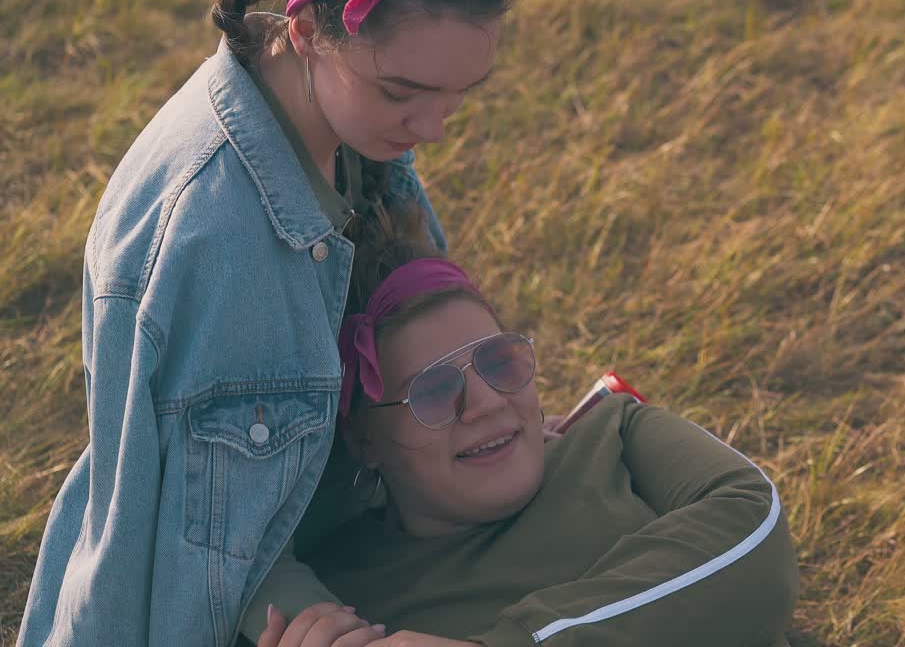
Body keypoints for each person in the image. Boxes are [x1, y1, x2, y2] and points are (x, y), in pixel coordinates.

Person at [18, 0, 513, 645]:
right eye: (404, 92)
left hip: (337, 533)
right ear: (308, 30)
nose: (433, 129)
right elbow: (206, 555)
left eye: (460, 94)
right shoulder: (215, 242)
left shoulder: (339, 116)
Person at [256, 211, 801, 647]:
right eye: (435, 391)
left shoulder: (613, 435)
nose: (489, 403)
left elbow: (753, 534)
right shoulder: (342, 592)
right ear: (365, 442)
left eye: (500, 361)